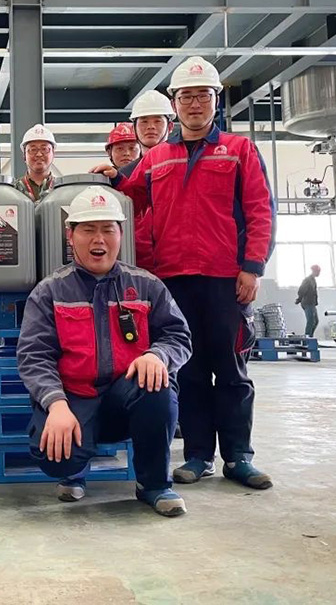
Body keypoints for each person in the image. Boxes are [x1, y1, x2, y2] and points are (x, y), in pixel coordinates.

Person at [96, 56, 276, 491]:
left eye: (203, 96)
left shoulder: (239, 150)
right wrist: (112, 180)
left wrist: (252, 268)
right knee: (189, 371)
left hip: (225, 278)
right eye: (187, 97)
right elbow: (133, 196)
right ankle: (198, 456)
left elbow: (260, 211)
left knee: (231, 370)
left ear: (216, 100)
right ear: (175, 103)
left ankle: (239, 457)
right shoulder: (158, 157)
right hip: (173, 279)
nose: (195, 104)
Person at [16, 187, 192, 515]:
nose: (99, 239)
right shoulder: (49, 292)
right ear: (70, 236)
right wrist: (55, 404)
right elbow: (34, 356)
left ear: (121, 234)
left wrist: (158, 355)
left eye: (108, 229)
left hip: (126, 398)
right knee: (55, 459)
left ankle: (153, 484)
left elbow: (178, 335)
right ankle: (74, 470)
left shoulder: (146, 285)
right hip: (74, 400)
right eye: (88, 229)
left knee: (158, 386)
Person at [108, 91, 175, 269]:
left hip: (174, 261)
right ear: (135, 127)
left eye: (157, 121)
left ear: (170, 126)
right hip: (135, 259)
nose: (150, 127)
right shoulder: (123, 175)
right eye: (144, 121)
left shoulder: (183, 163)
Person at [16, 123, 58, 202]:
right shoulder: (14, 190)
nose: (39, 154)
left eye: (44, 149)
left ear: (53, 153)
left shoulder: (61, 189)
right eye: (33, 150)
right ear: (24, 155)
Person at [297, 265, 321, 338]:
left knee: (315, 321)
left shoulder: (313, 280)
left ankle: (310, 336)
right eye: (318, 271)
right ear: (314, 271)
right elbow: (301, 290)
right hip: (307, 303)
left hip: (312, 303)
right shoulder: (308, 280)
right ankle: (307, 338)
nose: (319, 273)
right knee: (311, 321)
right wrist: (299, 299)